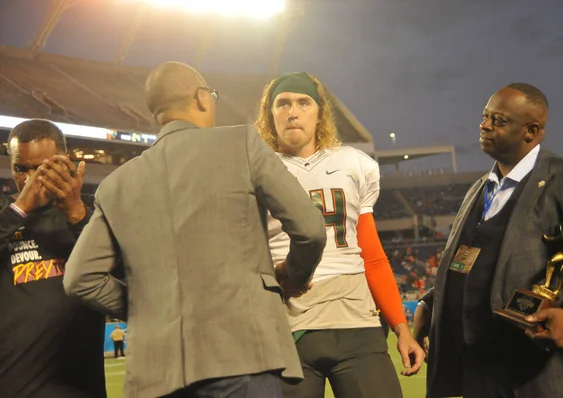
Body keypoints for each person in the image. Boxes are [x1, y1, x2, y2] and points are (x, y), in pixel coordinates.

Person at [63, 61, 327, 398]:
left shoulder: (116, 185)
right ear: (203, 98)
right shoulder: (242, 143)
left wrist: (149, 306)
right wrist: (294, 275)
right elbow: (310, 228)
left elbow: (79, 279)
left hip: (153, 375)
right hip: (241, 354)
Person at [421, 83, 563, 398]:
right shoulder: (477, 188)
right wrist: (431, 302)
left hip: (542, 369)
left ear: (531, 131)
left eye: (499, 120)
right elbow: (475, 259)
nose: (484, 125)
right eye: (485, 116)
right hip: (477, 369)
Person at [255, 72, 425, 398]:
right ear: (270, 114)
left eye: (304, 102)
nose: (293, 111)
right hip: (286, 327)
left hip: (356, 322)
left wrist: (401, 329)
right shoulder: (254, 169)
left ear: (319, 113)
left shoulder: (352, 164)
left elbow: (372, 256)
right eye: (283, 103)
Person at [0, 119, 106, 397]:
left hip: (79, 388)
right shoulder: (5, 215)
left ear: (65, 162)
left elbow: (119, 275)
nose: (31, 179)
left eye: (42, 168)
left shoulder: (96, 216)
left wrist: (76, 214)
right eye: (21, 169)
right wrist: (19, 208)